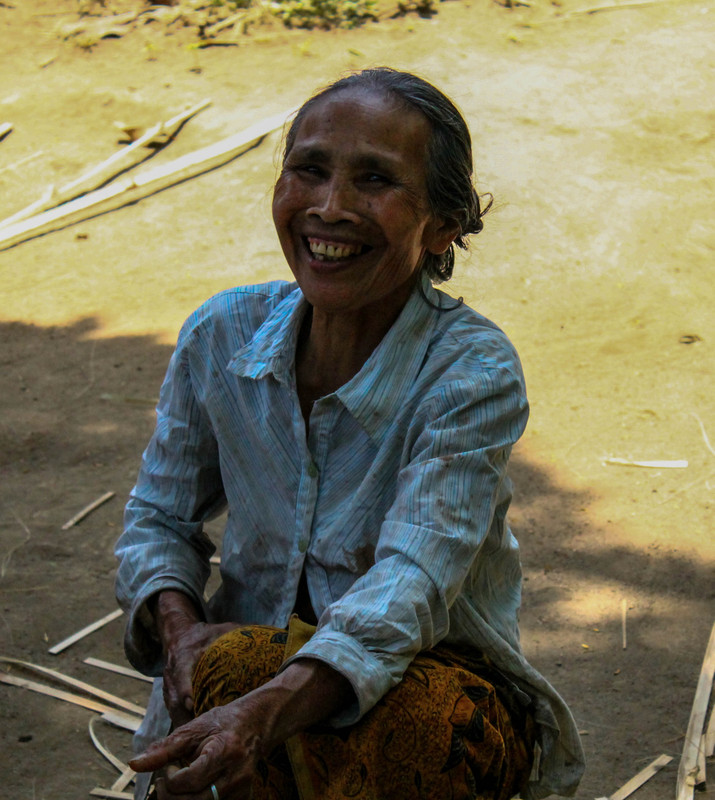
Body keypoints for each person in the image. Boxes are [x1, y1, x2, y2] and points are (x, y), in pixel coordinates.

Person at [115, 68, 585, 800]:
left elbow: (412, 581)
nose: (329, 208)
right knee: (230, 670)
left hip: (426, 694)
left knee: (390, 713)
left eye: (374, 181)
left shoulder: (469, 372)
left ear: (442, 224)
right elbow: (156, 519)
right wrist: (180, 641)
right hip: (235, 692)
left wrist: (257, 708)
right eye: (308, 170)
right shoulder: (220, 335)